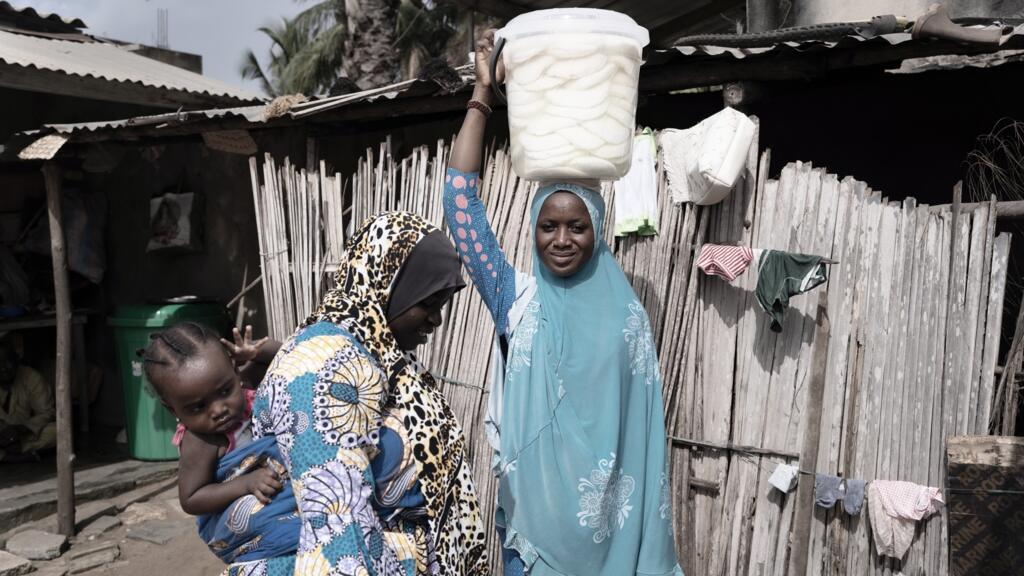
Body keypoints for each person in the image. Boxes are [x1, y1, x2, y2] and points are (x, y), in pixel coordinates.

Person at [442, 30, 682, 576]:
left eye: (577, 226)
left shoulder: (628, 319)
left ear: (598, 230)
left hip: (614, 542)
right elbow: (460, 201)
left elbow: (643, 443)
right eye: (548, 226)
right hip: (533, 539)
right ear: (533, 230)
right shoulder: (516, 300)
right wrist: (482, 95)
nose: (562, 239)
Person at [248, 212, 489, 576]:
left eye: (441, 304)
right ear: (388, 284)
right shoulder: (323, 370)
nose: (436, 320)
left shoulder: (382, 355)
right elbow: (338, 532)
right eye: (428, 301)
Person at [137, 323, 298, 569]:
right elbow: (192, 498)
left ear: (235, 370)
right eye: (198, 407)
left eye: (225, 391)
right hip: (241, 513)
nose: (218, 410)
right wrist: (244, 483)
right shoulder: (200, 440)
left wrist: (256, 352)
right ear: (173, 410)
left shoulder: (246, 384)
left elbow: (289, 354)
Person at [0, 339, 56, 463]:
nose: (4, 368)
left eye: (8, 361)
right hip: (2, 435)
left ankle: (9, 454)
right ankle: (12, 457)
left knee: (58, 431)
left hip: (24, 434)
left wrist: (22, 428)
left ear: (17, 359)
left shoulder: (32, 377)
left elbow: (47, 412)